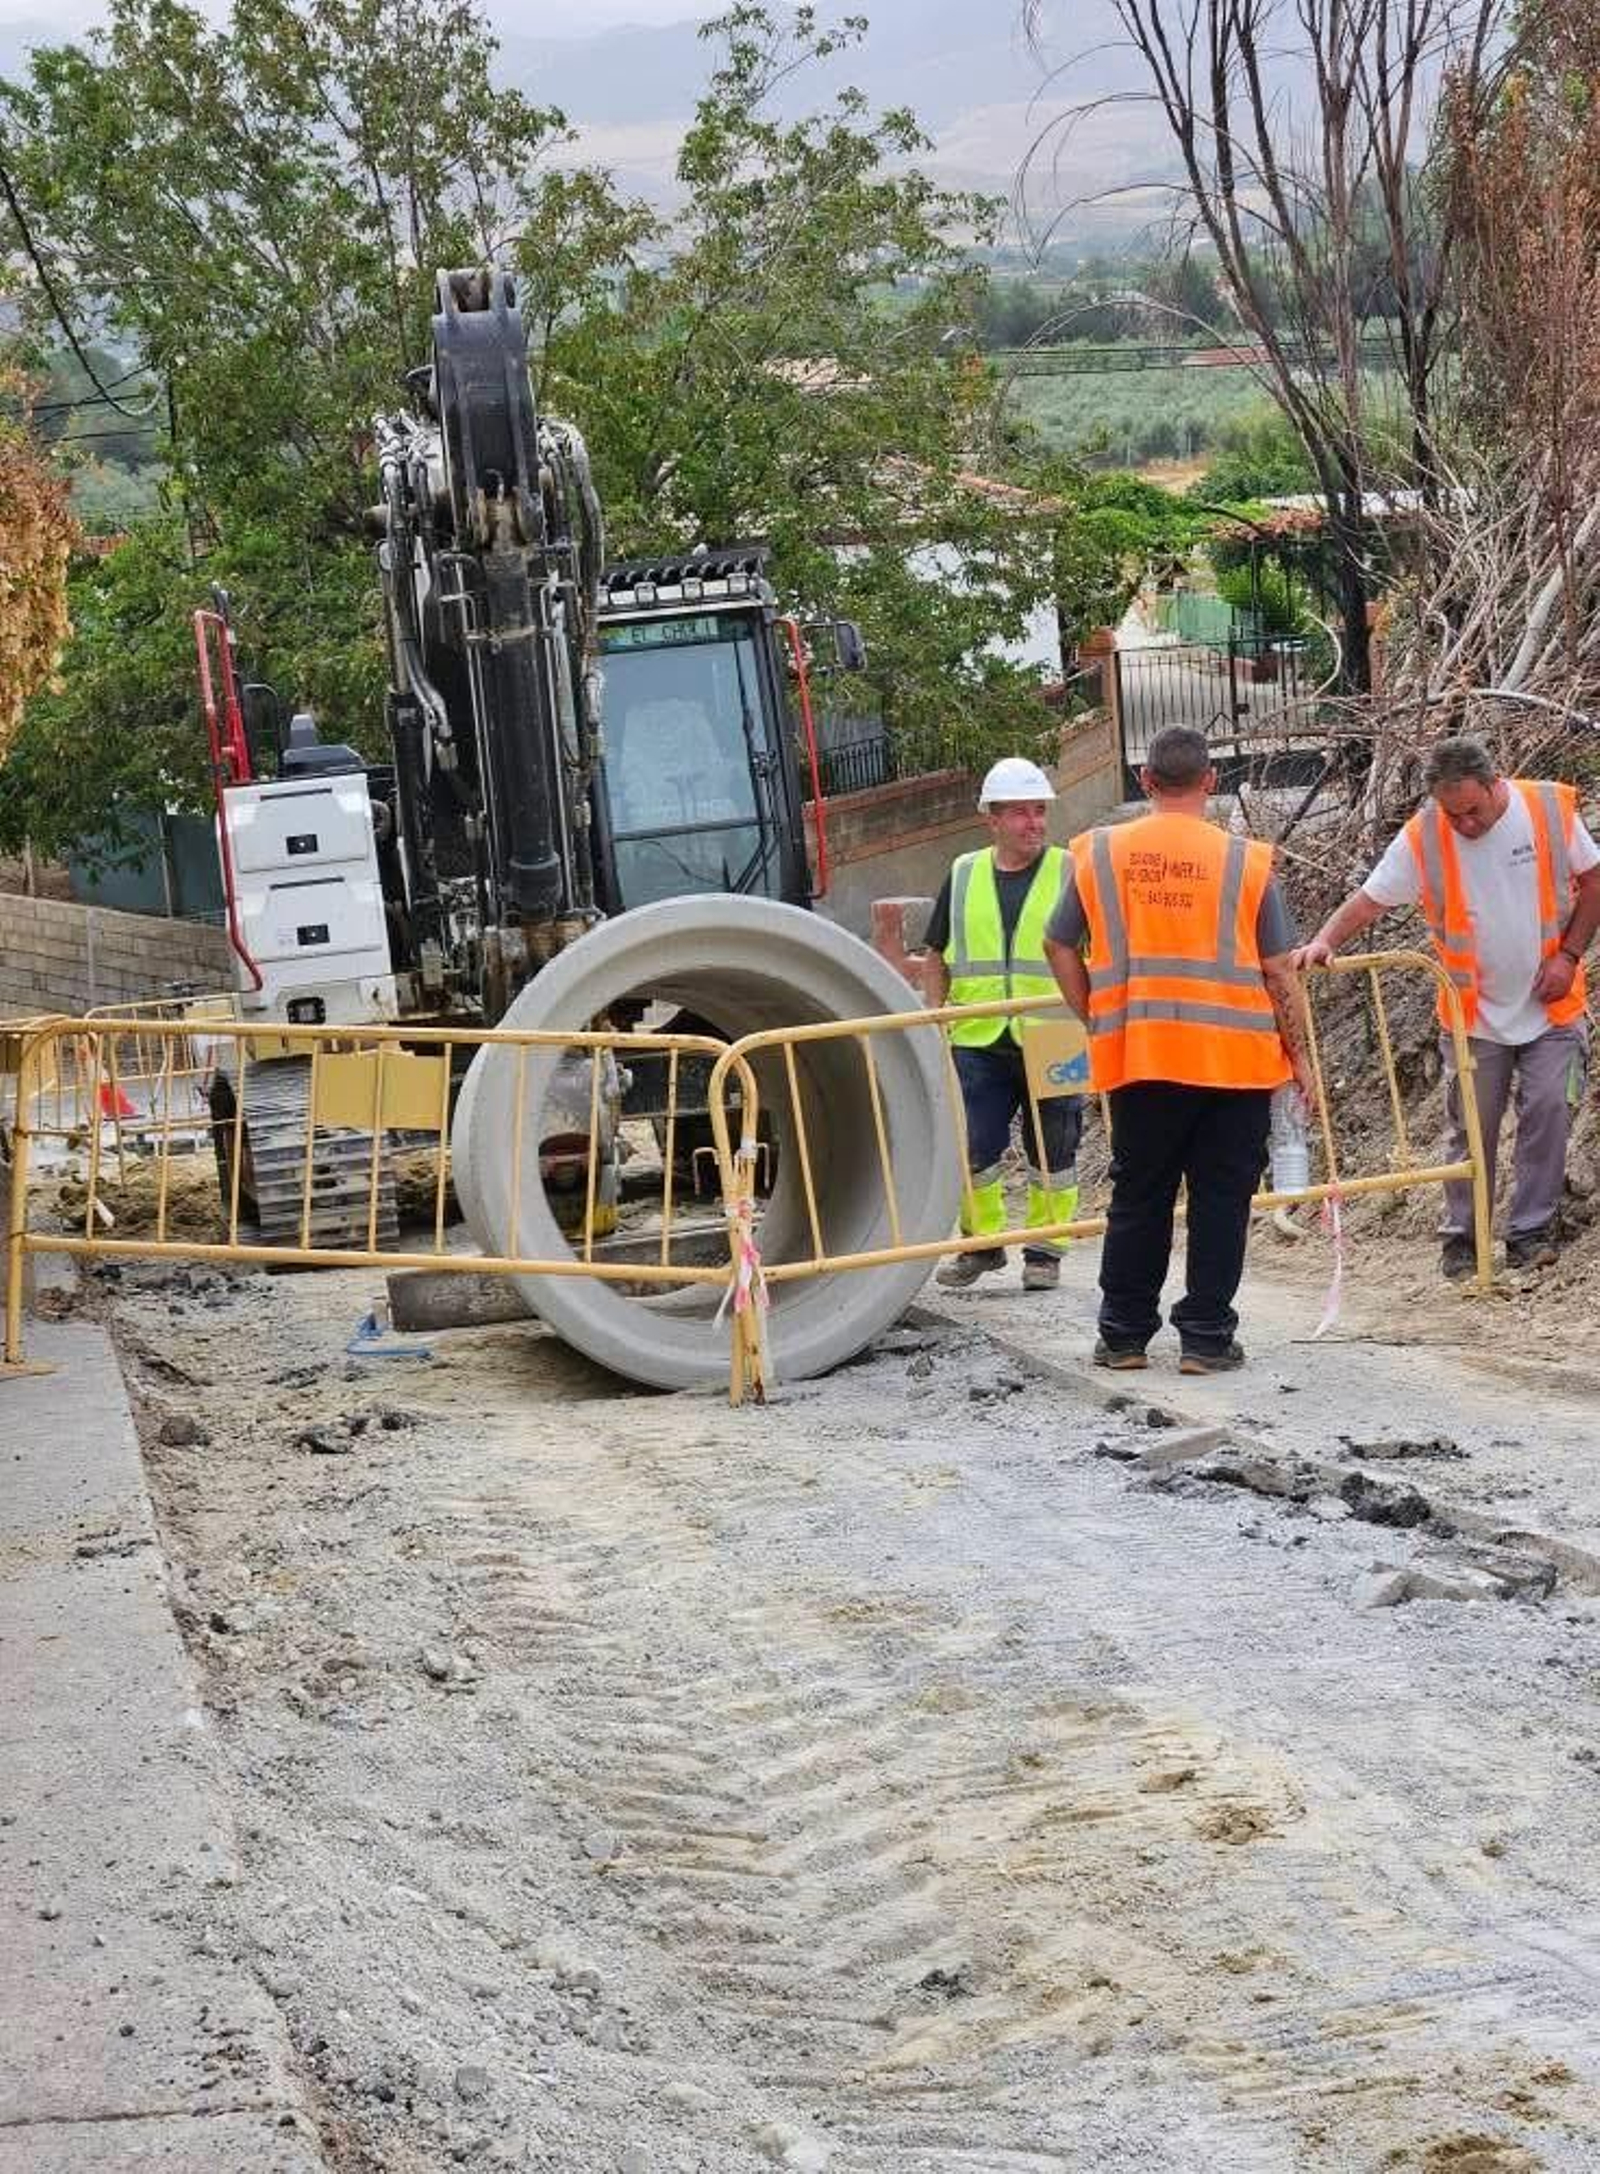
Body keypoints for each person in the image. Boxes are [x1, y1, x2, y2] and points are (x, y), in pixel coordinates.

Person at [1044, 725, 1313, 1374]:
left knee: (1140, 1197)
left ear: (1145, 781)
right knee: (1222, 1201)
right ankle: (1206, 1339)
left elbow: (1058, 944)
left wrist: (1097, 1013)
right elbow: (1279, 970)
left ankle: (1125, 1336)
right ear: (1210, 782)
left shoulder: (1100, 853)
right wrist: (1300, 1057)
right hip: (1235, 1063)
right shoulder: (1244, 862)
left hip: (1142, 1058)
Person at [1295, 734, 1600, 1276]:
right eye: (1452, 813)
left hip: (1552, 1007)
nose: (1465, 825)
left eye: (1473, 811)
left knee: (1549, 1112)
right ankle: (1463, 1241)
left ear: (1494, 783)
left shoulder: (1547, 809)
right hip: (1473, 1016)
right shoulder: (1425, 837)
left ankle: (1531, 1233)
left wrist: (1571, 954)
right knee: (1470, 1131)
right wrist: (1325, 940)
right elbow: (1370, 899)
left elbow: (1594, 879)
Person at [922, 756, 1081, 1293]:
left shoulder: (1068, 870)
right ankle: (982, 1244)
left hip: (1055, 1031)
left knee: (1055, 1149)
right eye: (1020, 813)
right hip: (977, 1035)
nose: (1034, 822)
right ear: (992, 818)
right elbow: (935, 954)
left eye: (1039, 811)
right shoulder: (963, 873)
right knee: (974, 1146)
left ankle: (1045, 1250)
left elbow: (1097, 951)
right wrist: (937, 1021)